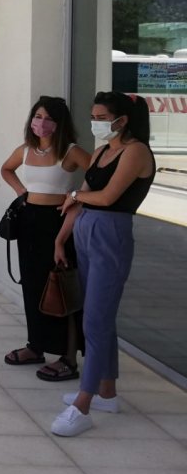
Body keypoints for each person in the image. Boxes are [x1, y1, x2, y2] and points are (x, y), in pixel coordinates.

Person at [50, 92, 155, 438]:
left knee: (95, 320)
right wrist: (61, 239)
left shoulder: (136, 152)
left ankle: (83, 402)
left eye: (102, 117)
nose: (96, 123)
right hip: (86, 230)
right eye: (93, 116)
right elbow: (79, 200)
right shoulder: (101, 151)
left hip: (111, 233)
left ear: (122, 120)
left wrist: (75, 197)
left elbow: (107, 197)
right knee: (98, 318)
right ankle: (106, 392)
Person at [1, 97, 91, 382]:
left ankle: (69, 358)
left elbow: (99, 175)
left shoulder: (71, 151)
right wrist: (21, 192)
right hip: (29, 221)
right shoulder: (26, 149)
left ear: (60, 123)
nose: (41, 123)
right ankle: (36, 345)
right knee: (33, 286)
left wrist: (76, 197)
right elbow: (6, 169)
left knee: (62, 287)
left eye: (49, 118)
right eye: (38, 116)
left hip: (58, 223)